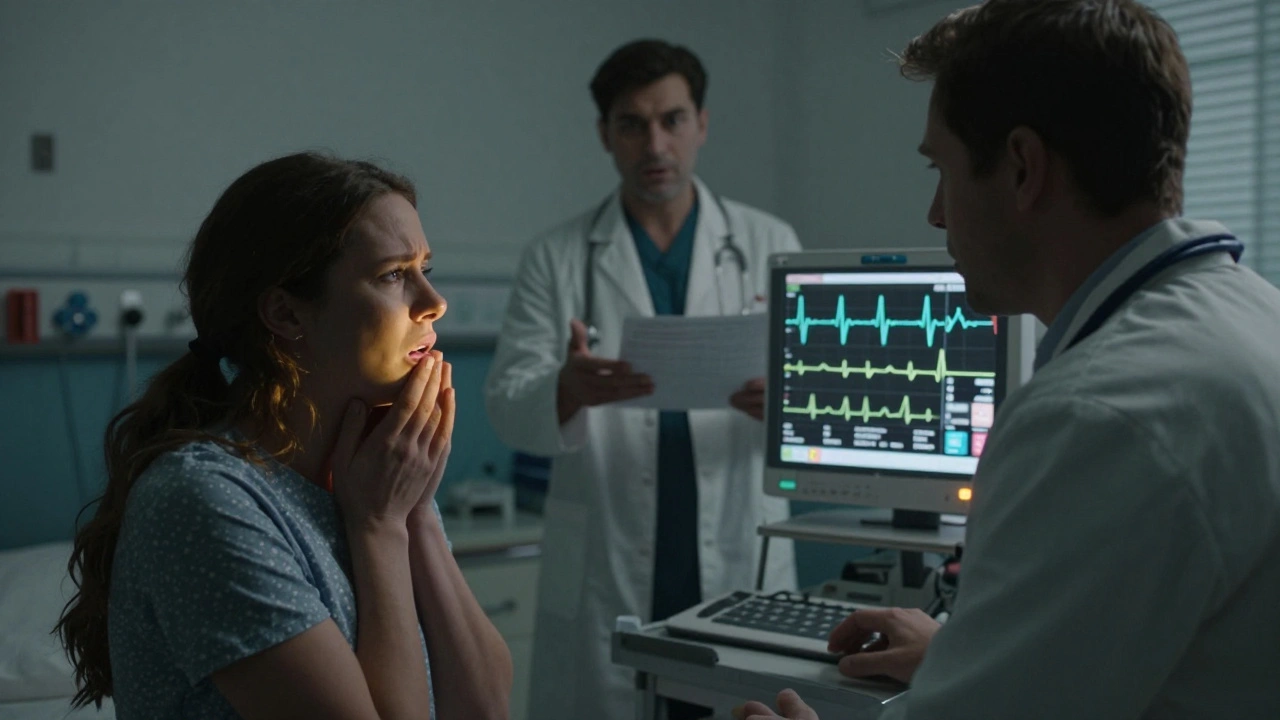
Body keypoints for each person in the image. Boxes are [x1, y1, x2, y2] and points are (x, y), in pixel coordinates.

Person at [739, 0, 1280, 718]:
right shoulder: (1253, 316)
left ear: (1023, 168)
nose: (936, 212)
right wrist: (975, 651)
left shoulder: (1092, 416)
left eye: (943, 168)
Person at [56, 153, 512, 720]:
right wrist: (379, 529)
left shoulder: (377, 470)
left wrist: (415, 510)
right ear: (286, 315)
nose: (434, 302)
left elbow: (487, 707)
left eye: (426, 269)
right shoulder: (202, 501)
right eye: (394, 275)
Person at [484, 39, 801, 720]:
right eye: (632, 124)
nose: (655, 143)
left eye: (672, 120)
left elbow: (819, 395)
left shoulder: (771, 243)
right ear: (605, 134)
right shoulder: (557, 257)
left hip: (736, 541)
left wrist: (790, 402)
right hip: (609, 559)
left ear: (702, 124)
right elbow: (508, 407)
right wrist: (566, 388)